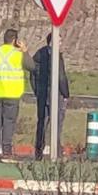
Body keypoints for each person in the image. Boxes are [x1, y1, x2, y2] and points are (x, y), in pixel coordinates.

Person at [0, 28, 36, 162]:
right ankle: (6, 152)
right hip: (12, 94)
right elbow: (32, 66)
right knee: (8, 123)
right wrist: (24, 51)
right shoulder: (18, 54)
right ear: (15, 41)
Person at [31, 32, 70, 161]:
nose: (61, 44)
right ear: (52, 42)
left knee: (42, 121)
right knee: (56, 122)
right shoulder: (55, 56)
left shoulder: (38, 54)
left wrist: (37, 90)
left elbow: (32, 74)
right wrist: (65, 93)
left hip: (42, 93)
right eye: (59, 41)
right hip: (54, 93)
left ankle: (39, 151)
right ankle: (57, 151)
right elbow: (60, 76)